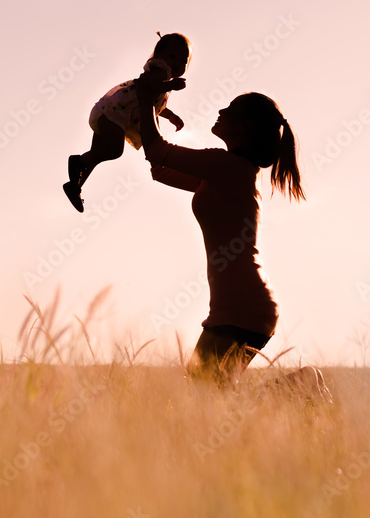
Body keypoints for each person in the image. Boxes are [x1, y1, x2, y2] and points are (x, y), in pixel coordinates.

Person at [132, 79, 330, 401]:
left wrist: (143, 98)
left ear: (245, 127)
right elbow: (160, 167)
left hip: (241, 304)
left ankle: (306, 384)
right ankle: (303, 386)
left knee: (204, 397)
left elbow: (157, 151)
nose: (221, 110)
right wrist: (149, 109)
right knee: (216, 399)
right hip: (244, 304)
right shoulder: (228, 171)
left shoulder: (225, 166)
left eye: (231, 109)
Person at [63, 33, 191, 213]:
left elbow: (154, 105)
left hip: (112, 112)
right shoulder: (161, 70)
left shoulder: (164, 77)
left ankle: (75, 186)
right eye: (172, 56)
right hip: (116, 113)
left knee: (98, 153)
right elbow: (152, 88)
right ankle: (78, 161)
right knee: (114, 151)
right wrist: (171, 86)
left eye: (183, 60)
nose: (177, 62)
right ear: (159, 56)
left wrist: (170, 115)